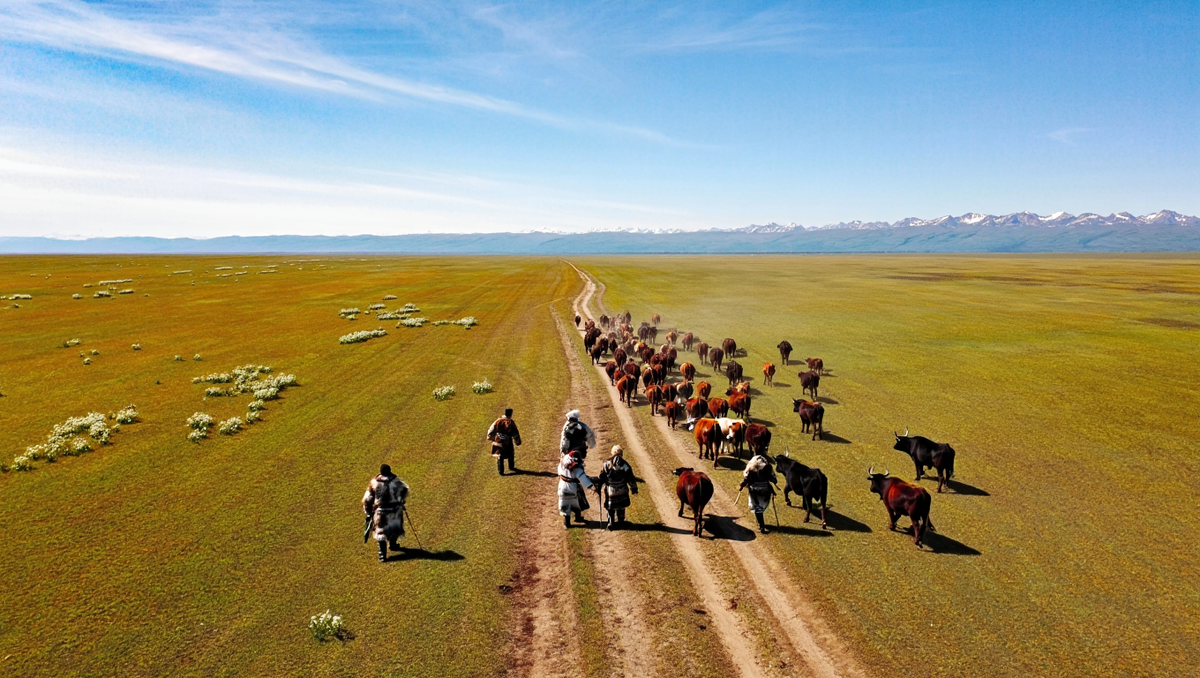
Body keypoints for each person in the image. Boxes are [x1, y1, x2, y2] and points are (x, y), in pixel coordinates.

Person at [362, 464, 410, 561]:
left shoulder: (374, 483)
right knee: (395, 528)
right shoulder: (396, 482)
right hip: (395, 510)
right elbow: (404, 491)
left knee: (381, 533)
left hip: (380, 511)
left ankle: (382, 555)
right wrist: (401, 501)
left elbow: (368, 498)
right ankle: (393, 544)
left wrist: (368, 510)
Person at [596, 445, 639, 530]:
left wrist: (599, 486)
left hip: (610, 490)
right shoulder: (625, 465)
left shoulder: (606, 463)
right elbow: (630, 478)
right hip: (622, 489)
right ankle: (621, 521)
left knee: (610, 507)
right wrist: (634, 488)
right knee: (621, 507)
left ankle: (610, 521)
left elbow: (602, 477)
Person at [557, 449, 595, 529]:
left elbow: (559, 472)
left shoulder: (561, 464)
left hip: (562, 486)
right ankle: (577, 518)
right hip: (573, 488)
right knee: (576, 503)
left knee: (565, 505)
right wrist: (592, 487)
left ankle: (567, 523)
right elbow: (583, 478)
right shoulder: (577, 469)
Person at [740, 455, 777, 534]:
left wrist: (742, 485)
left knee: (757, 508)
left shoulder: (751, 469)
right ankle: (761, 524)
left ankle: (761, 525)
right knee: (760, 508)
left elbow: (746, 478)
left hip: (754, 491)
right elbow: (774, 479)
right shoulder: (767, 468)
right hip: (765, 490)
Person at [487, 407, 522, 475]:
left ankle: (501, 470)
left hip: (498, 440)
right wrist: (517, 441)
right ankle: (511, 466)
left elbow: (491, 429)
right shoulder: (511, 422)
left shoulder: (498, 421)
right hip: (507, 441)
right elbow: (515, 432)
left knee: (500, 455)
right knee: (510, 453)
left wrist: (490, 437)